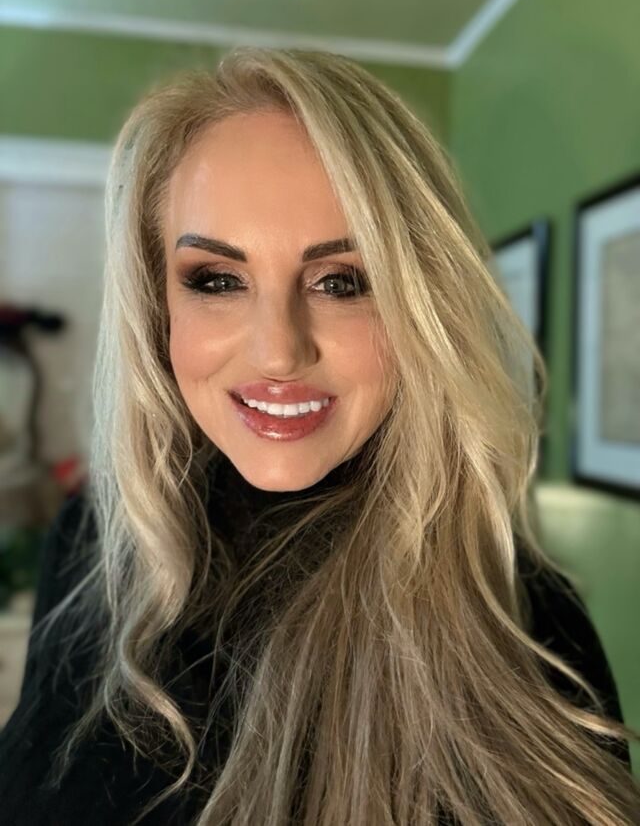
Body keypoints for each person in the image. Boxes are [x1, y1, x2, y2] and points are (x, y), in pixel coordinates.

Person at [0, 46, 638, 825]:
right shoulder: (91, 540)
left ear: (423, 306)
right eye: (216, 280)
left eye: (343, 282)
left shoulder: (524, 620)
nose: (278, 352)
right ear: (158, 305)